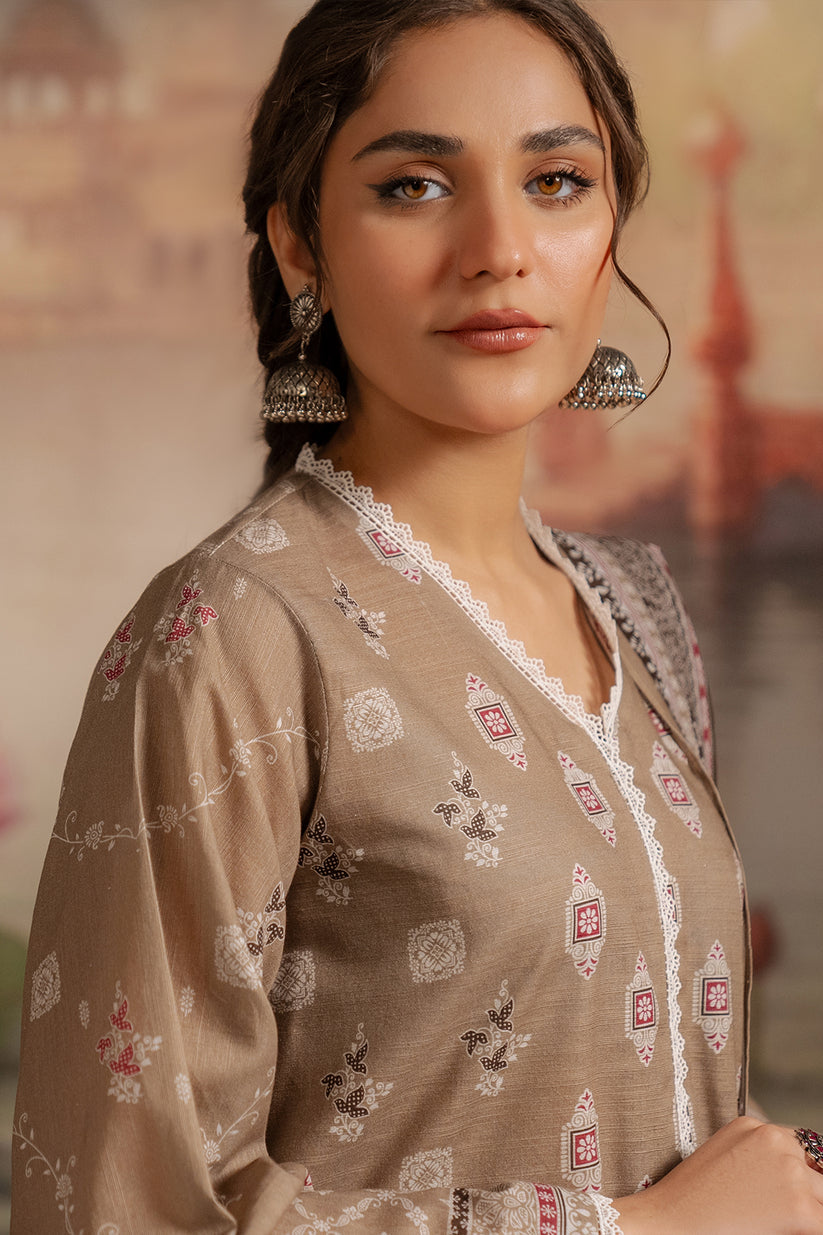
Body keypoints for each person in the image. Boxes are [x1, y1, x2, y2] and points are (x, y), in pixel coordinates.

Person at [11, 1, 823, 1232]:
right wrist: (637, 1232)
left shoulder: (634, 609)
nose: (500, 246)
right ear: (300, 247)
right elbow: (127, 1201)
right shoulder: (233, 633)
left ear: (611, 230)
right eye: (413, 187)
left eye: (557, 179)